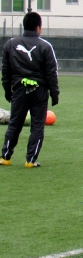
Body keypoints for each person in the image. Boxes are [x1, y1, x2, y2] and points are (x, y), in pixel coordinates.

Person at [1, 12, 59, 168]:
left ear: (24, 26)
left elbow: (5, 70)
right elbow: (51, 73)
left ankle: (5, 157)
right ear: (38, 28)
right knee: (37, 125)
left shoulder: (10, 44)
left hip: (19, 89)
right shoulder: (46, 46)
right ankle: (30, 160)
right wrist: (54, 94)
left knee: (14, 123)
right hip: (39, 91)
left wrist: (8, 90)